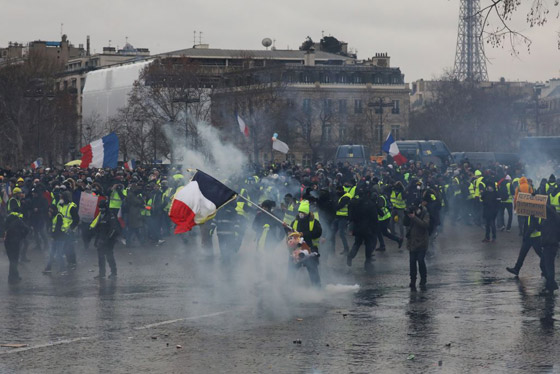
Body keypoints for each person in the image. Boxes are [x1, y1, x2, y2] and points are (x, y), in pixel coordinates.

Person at [347, 187, 377, 271]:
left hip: (358, 227)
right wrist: (374, 228)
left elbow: (352, 216)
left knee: (357, 243)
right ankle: (367, 263)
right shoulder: (371, 204)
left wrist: (353, 227)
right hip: (368, 228)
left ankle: (350, 257)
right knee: (368, 244)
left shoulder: (357, 202)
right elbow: (374, 218)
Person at [403, 197, 430, 291]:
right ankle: (413, 280)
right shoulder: (411, 212)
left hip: (422, 241)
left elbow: (425, 225)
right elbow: (405, 223)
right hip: (412, 242)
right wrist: (406, 215)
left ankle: (423, 279)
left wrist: (414, 218)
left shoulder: (425, 213)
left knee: (421, 260)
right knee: (412, 262)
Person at [506, 213, 545, 277]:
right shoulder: (529, 213)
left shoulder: (535, 214)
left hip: (535, 238)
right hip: (530, 237)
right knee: (522, 254)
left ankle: (546, 270)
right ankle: (516, 269)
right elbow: (527, 225)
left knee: (541, 254)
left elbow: (533, 226)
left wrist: (526, 235)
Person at [90, 200, 120, 279]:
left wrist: (108, 239)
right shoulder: (100, 215)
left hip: (109, 239)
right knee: (100, 256)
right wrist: (97, 240)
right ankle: (102, 273)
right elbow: (98, 228)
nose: (101, 210)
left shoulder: (110, 215)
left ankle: (114, 272)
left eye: (102, 208)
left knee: (109, 255)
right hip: (101, 238)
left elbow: (113, 228)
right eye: (99, 208)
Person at [4, 205, 29, 284]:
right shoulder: (19, 220)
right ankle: (12, 277)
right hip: (15, 242)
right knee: (14, 260)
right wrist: (22, 236)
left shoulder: (8, 219)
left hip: (7, 242)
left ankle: (14, 275)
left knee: (12, 260)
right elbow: (27, 229)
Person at [540, 202, 559, 293]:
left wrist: (540, 202)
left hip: (551, 245)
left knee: (549, 267)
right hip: (547, 245)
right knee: (544, 265)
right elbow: (539, 228)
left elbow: (550, 211)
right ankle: (552, 284)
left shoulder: (554, 220)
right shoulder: (546, 221)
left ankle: (550, 286)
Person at [332, 186, 351, 255]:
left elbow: (338, 206)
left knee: (341, 233)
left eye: (338, 191)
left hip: (343, 217)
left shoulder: (346, 197)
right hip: (338, 217)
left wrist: (334, 205)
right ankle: (331, 249)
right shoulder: (342, 196)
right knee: (332, 232)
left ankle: (346, 249)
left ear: (341, 190)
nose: (337, 192)